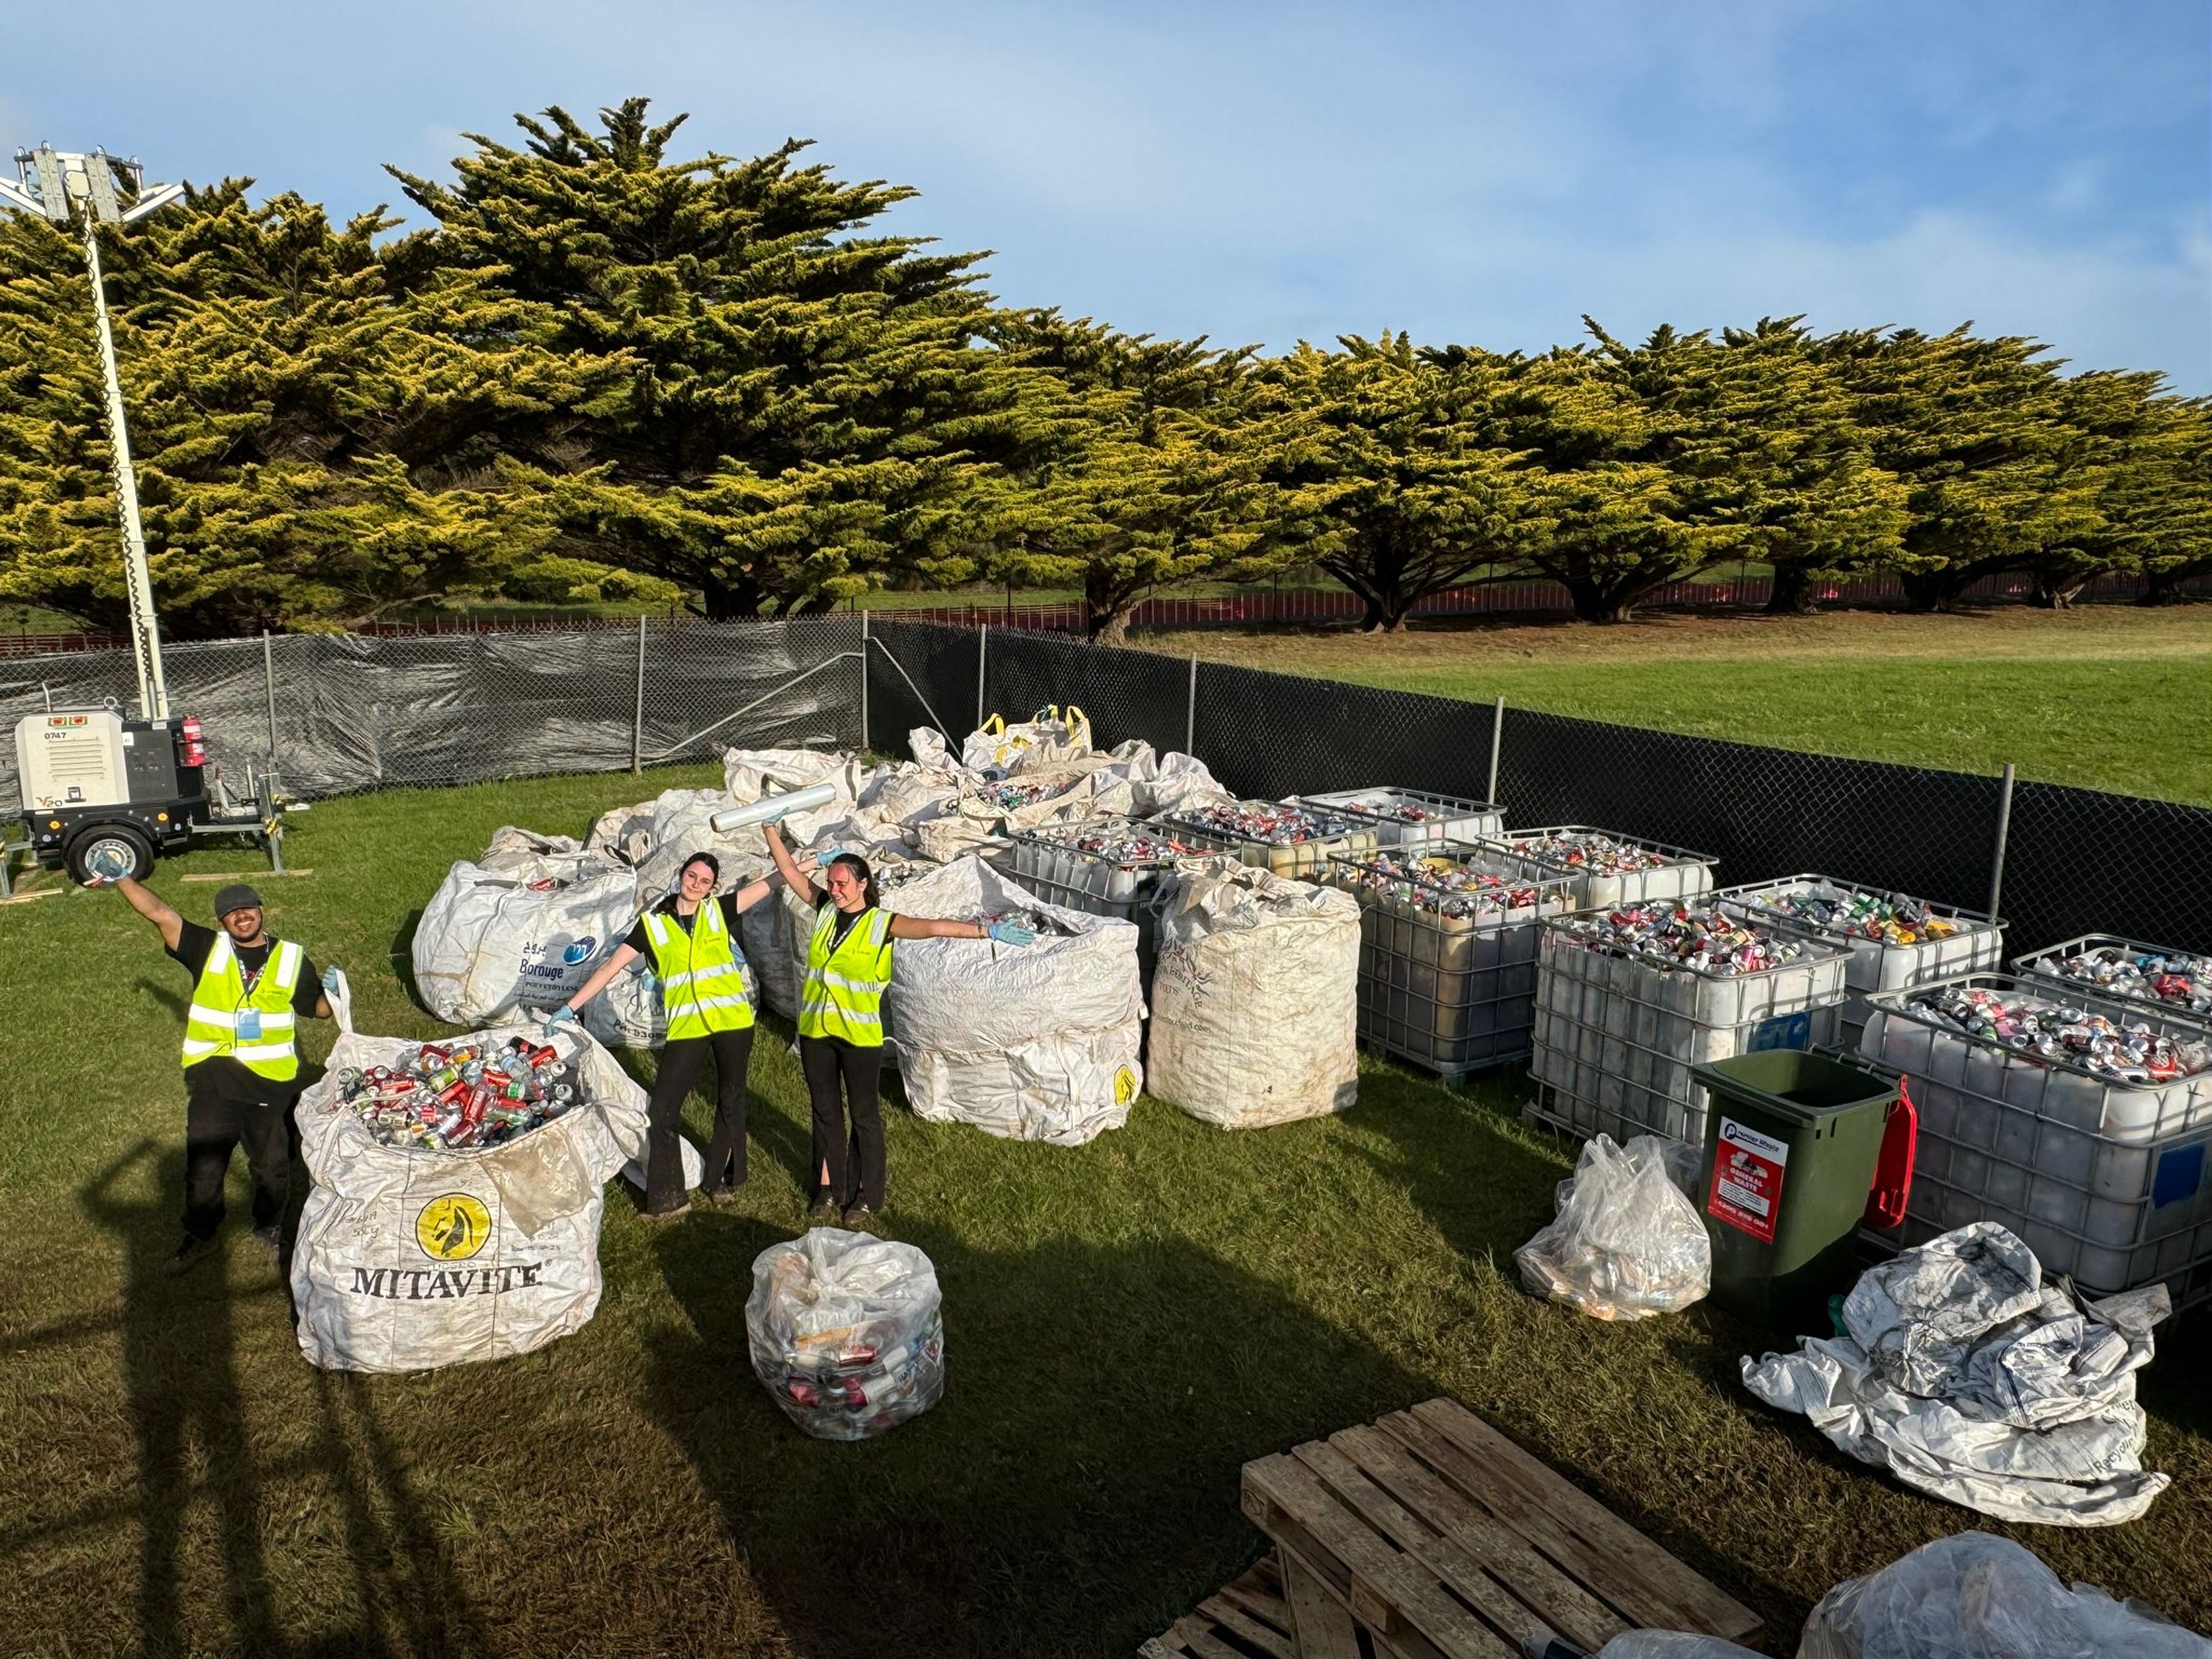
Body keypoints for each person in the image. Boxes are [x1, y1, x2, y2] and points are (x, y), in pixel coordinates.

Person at [763, 823, 1035, 1226]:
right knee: (824, 1113)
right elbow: (789, 872)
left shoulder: (881, 923)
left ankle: (865, 1195)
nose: (834, 890)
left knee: (864, 1116)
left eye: (841, 884)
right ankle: (828, 1186)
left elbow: (934, 927)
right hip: (816, 1034)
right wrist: (771, 830)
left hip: (858, 1038)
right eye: (830, 883)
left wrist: (987, 931)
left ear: (862, 884)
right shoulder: (822, 910)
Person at [547, 850, 810, 1219]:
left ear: (712, 887)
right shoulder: (653, 925)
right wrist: (570, 1008)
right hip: (688, 1028)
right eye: (692, 876)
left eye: (705, 882)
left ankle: (720, 1180)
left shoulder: (719, 911)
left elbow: (774, 881)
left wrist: (812, 865)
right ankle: (668, 1198)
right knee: (664, 1111)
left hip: (734, 1023)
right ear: (680, 873)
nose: (696, 885)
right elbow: (610, 968)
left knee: (731, 1100)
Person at [94, 876, 336, 1276]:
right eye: (230, 913)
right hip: (215, 1079)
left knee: (273, 1166)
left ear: (262, 911)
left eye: (247, 908)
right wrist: (121, 877)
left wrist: (336, 994)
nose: (241, 916)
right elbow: (159, 913)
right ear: (222, 921)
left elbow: (318, 1010)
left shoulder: (292, 959)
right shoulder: (207, 948)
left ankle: (269, 1226)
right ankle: (201, 1235)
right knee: (205, 1166)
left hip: (272, 1083)